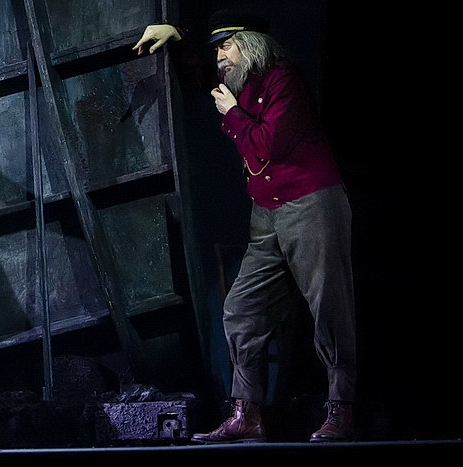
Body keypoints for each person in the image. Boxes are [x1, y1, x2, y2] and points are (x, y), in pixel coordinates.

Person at [134, 9, 357, 443]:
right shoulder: (238, 82)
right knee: (241, 310)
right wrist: (176, 35)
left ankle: (341, 409)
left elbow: (267, 145)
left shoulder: (282, 80)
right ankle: (246, 414)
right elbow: (199, 75)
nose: (219, 57)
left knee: (329, 306)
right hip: (267, 212)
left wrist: (234, 114)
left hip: (310, 202)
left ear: (251, 45)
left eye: (226, 47)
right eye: (216, 48)